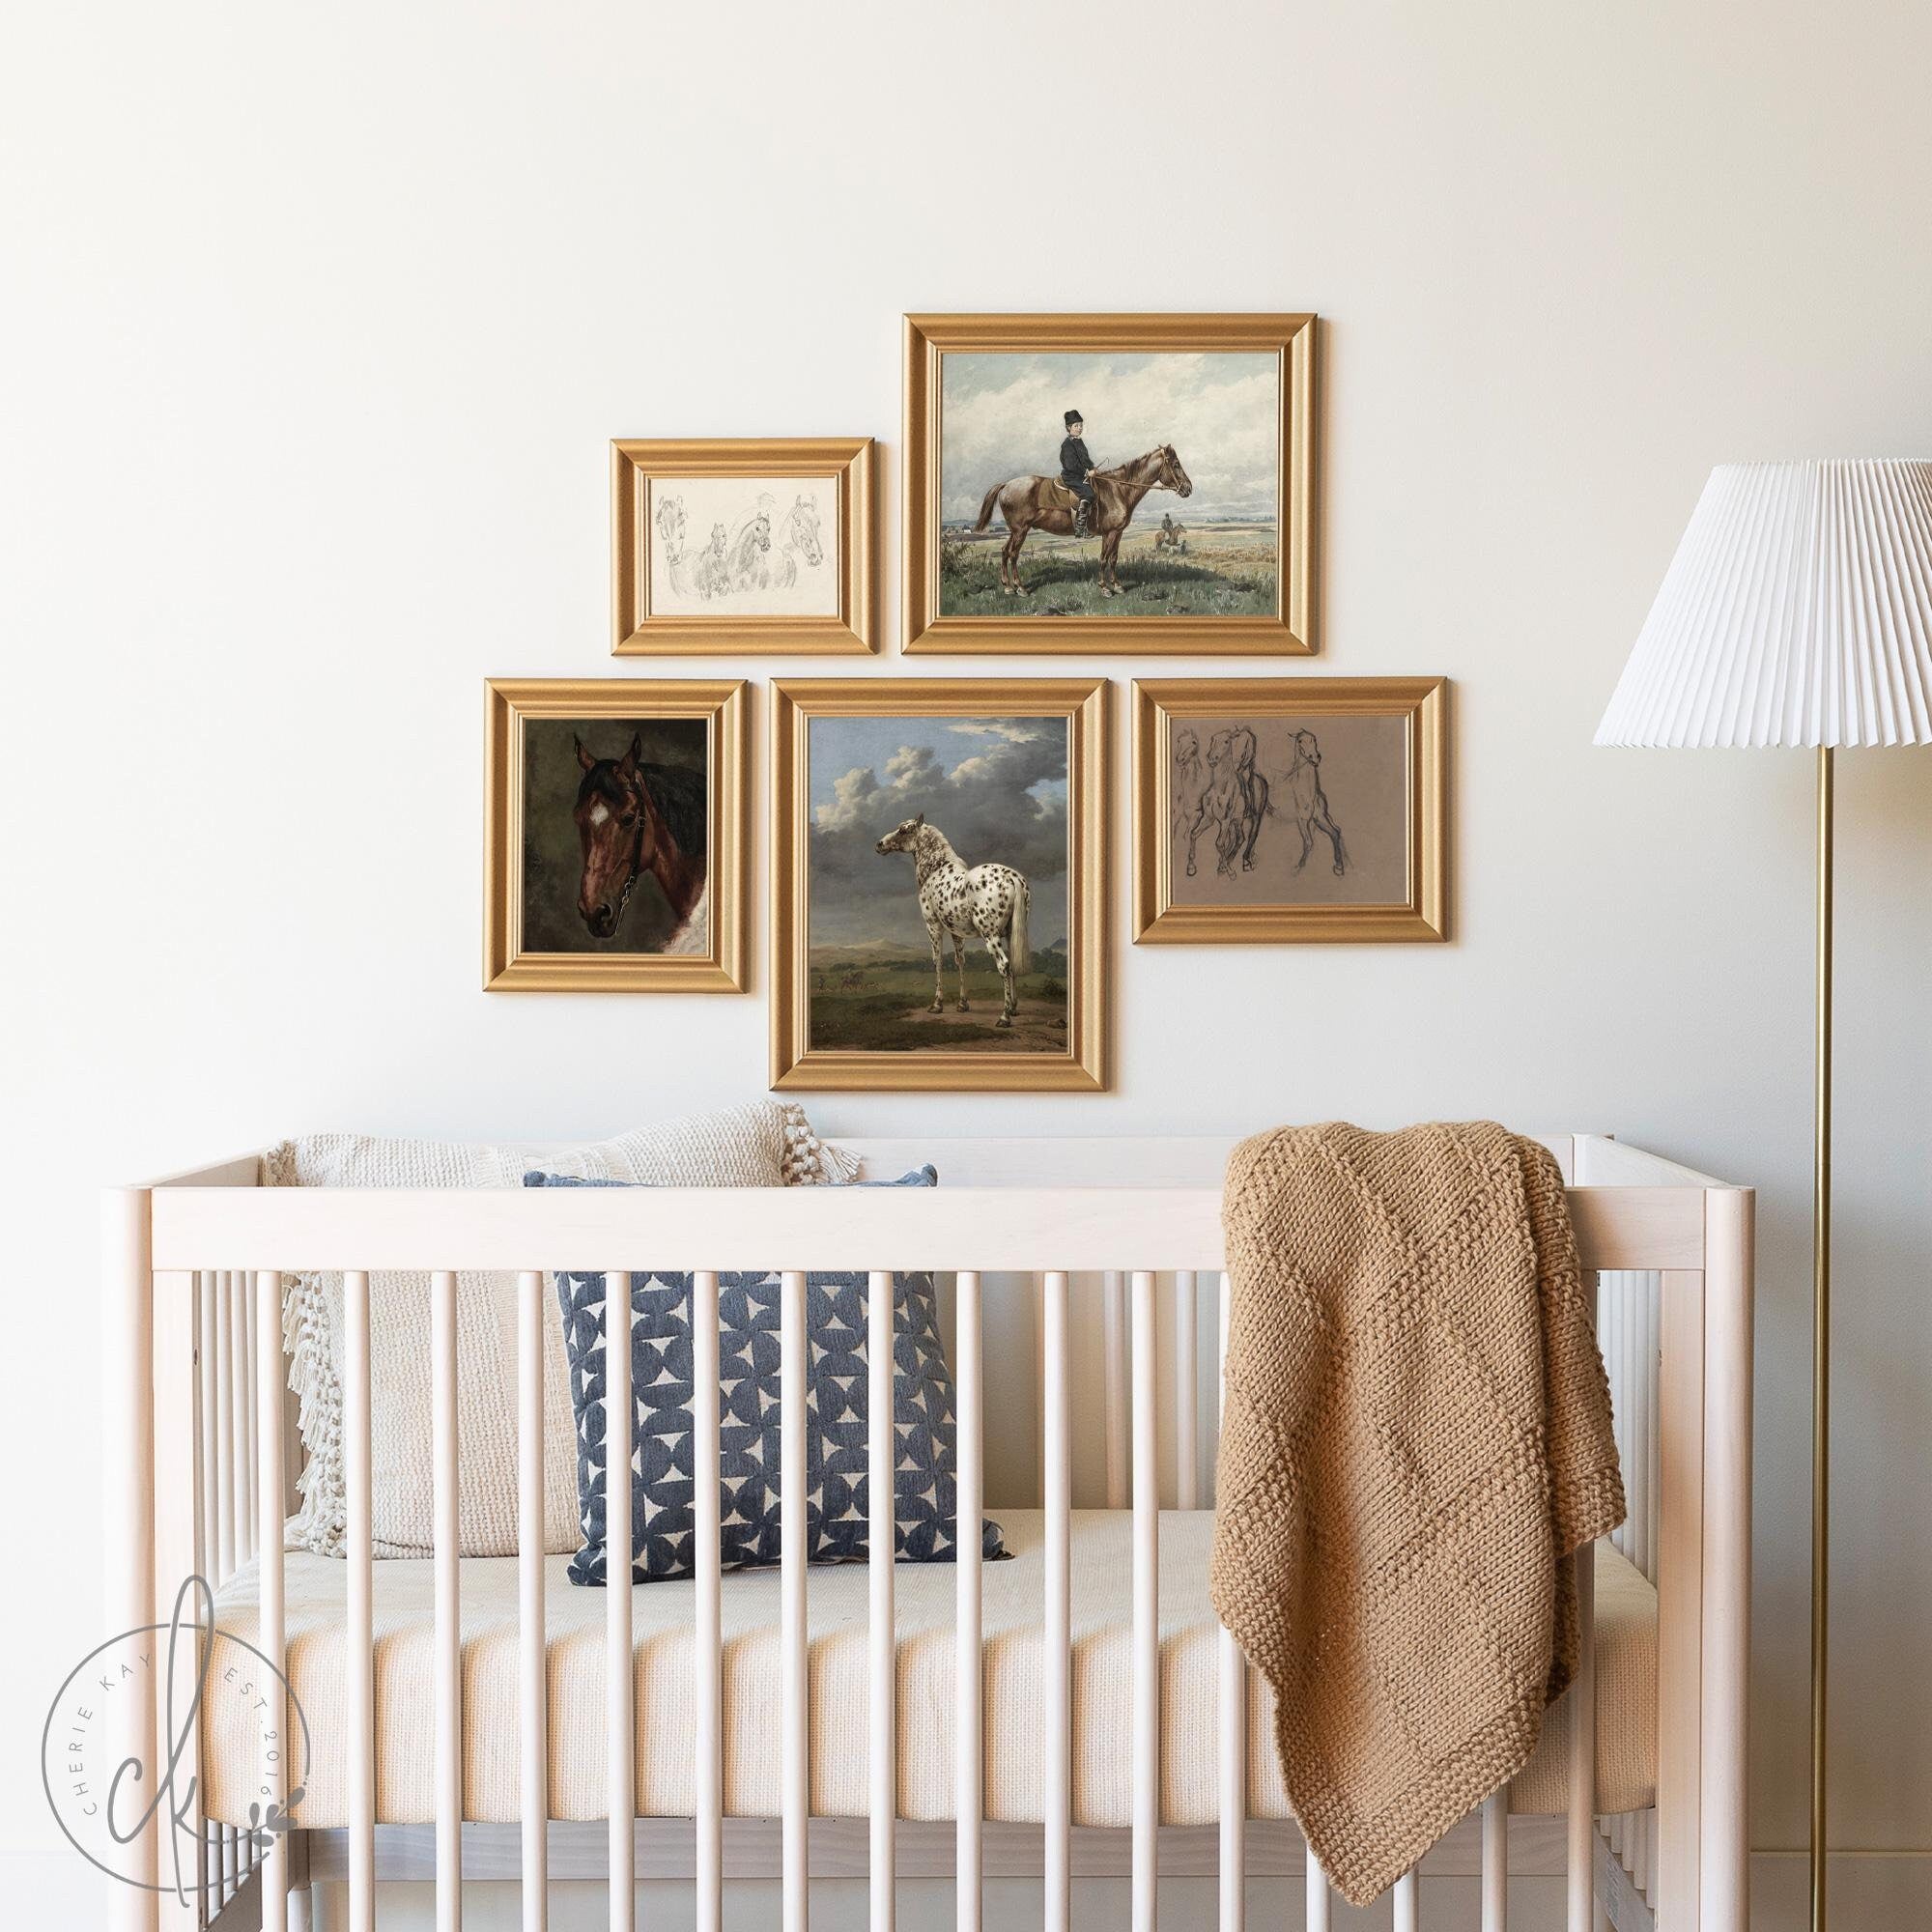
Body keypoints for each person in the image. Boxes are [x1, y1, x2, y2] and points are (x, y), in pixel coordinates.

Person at [1059, 409, 1096, 539]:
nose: (1079, 428)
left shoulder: (1079, 441)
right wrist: (1086, 472)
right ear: (1069, 428)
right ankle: (1080, 528)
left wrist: (1092, 468)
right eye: (1076, 426)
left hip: (1081, 475)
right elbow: (1071, 465)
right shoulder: (1067, 444)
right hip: (1071, 476)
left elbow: (1085, 459)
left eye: (1081, 425)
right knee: (1089, 493)